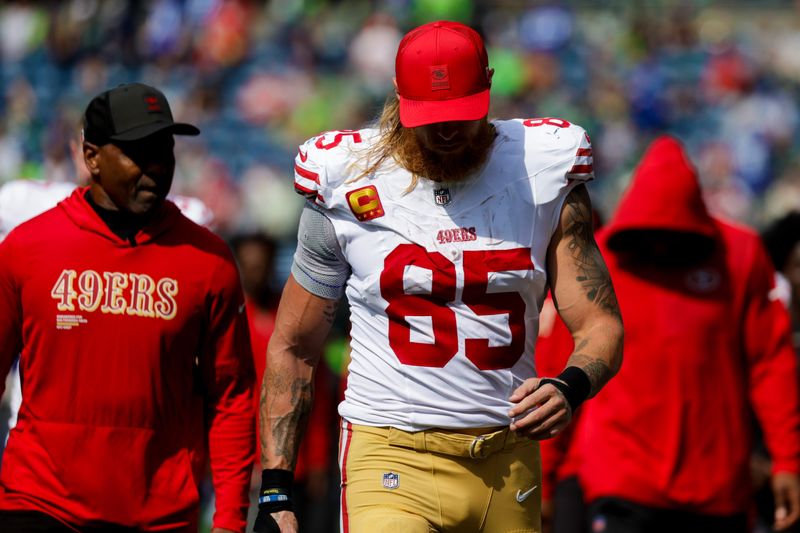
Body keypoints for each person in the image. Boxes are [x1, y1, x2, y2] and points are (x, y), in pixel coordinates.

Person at [255, 21, 624, 533]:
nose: (447, 130)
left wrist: (570, 385)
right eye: (430, 116)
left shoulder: (542, 171)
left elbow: (599, 323)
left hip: (507, 455)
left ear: (490, 88)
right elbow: (294, 345)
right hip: (391, 452)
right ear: (399, 97)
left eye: (460, 114)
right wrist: (276, 490)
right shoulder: (348, 179)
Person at [0, 83, 255, 532]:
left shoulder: (209, 261)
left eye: (165, 151)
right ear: (92, 156)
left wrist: (231, 520)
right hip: (40, 503)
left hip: (158, 515)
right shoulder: (27, 248)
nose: (157, 167)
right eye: (139, 153)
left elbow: (231, 399)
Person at [538, 135, 800, 533]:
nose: (661, 247)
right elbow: (561, 370)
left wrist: (788, 460)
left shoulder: (740, 256)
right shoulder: (598, 258)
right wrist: (544, 476)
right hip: (621, 480)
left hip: (716, 487)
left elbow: (770, 363)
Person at [229, 233, 337, 532]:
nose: (256, 272)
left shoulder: (294, 318)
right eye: (249, 265)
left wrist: (317, 460)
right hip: (246, 464)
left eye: (261, 264)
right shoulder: (231, 320)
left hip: (296, 464)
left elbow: (318, 395)